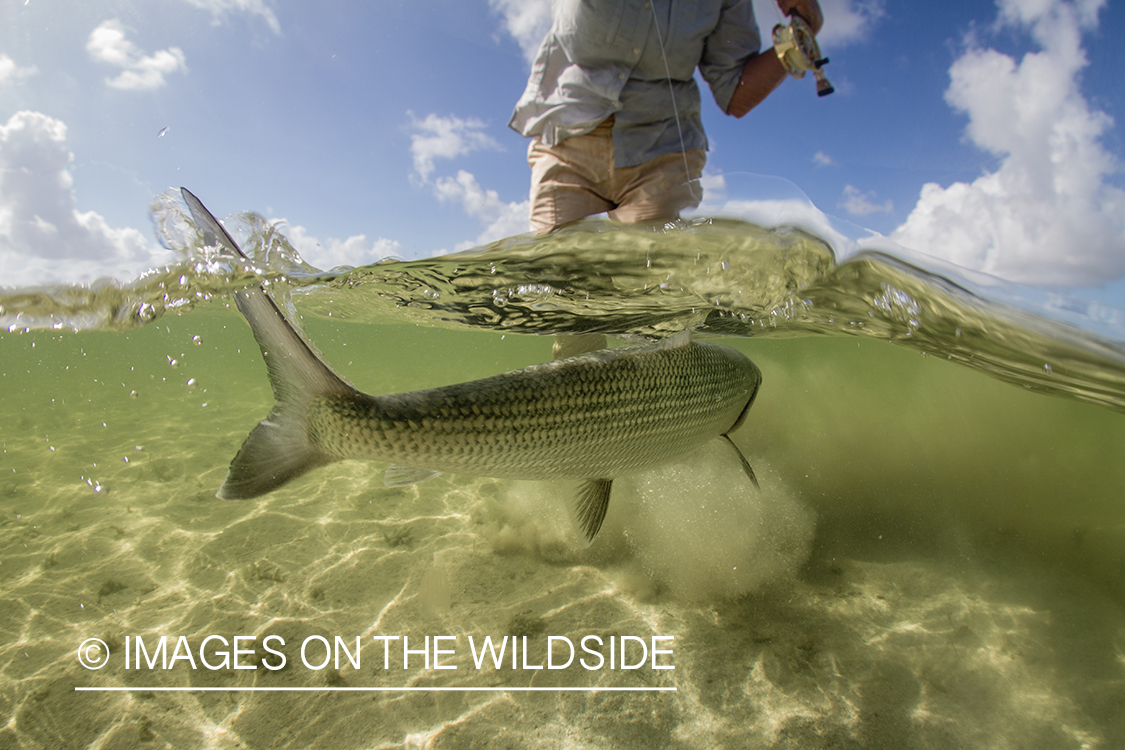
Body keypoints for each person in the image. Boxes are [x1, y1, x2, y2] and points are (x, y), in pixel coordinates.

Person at [509, 0, 824, 236]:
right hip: (566, 143)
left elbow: (735, 94)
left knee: (648, 290)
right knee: (555, 284)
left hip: (664, 150)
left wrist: (798, 39)